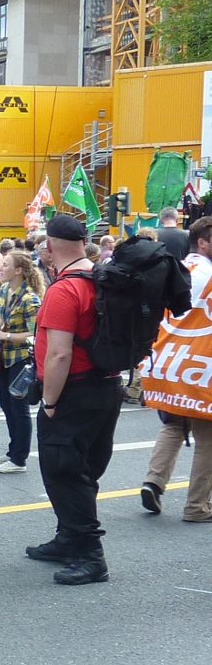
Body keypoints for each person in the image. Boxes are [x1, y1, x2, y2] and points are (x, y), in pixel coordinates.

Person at [29, 214, 122, 586]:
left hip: (74, 390)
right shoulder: (103, 278)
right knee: (84, 468)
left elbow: (59, 354)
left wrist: (50, 403)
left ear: (50, 246)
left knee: (64, 470)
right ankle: (69, 537)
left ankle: (90, 555)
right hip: (107, 385)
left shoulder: (64, 289)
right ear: (85, 242)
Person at [142, 216, 212, 520]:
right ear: (202, 242)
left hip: (168, 361)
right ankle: (197, 506)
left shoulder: (177, 269)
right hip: (201, 365)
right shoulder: (209, 275)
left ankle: (153, 481)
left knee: (174, 425)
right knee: (208, 438)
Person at [0, 250, 44, 474]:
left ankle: (19, 459)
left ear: (18, 270)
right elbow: (1, 316)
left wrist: (4, 335)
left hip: (22, 358)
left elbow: (35, 334)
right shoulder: (5, 289)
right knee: (6, 404)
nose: (0, 268)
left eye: (5, 265)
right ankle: (12, 451)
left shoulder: (30, 299)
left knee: (19, 408)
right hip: (6, 357)